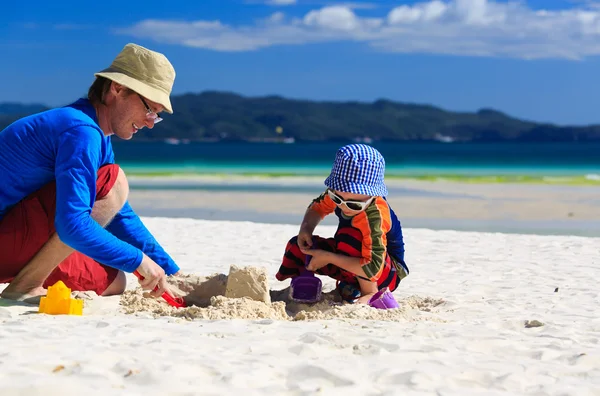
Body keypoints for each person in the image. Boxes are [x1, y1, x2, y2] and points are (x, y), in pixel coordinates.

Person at [0, 43, 181, 302]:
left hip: (13, 233)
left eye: (157, 115)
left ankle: (27, 281)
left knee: (113, 280)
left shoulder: (94, 131)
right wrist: (139, 260)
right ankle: (26, 286)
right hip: (8, 236)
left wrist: (170, 271)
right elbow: (73, 225)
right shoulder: (80, 131)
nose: (150, 122)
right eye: (149, 109)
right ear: (116, 89)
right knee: (113, 180)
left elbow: (118, 214)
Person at [275, 144, 409, 304]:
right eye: (337, 199)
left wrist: (329, 257)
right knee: (298, 246)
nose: (344, 206)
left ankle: (368, 292)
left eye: (354, 205)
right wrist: (306, 228)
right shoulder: (342, 193)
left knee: (351, 238)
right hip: (348, 260)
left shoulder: (374, 218)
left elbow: (373, 267)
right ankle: (304, 283)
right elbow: (317, 207)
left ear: (373, 195)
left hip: (384, 273)